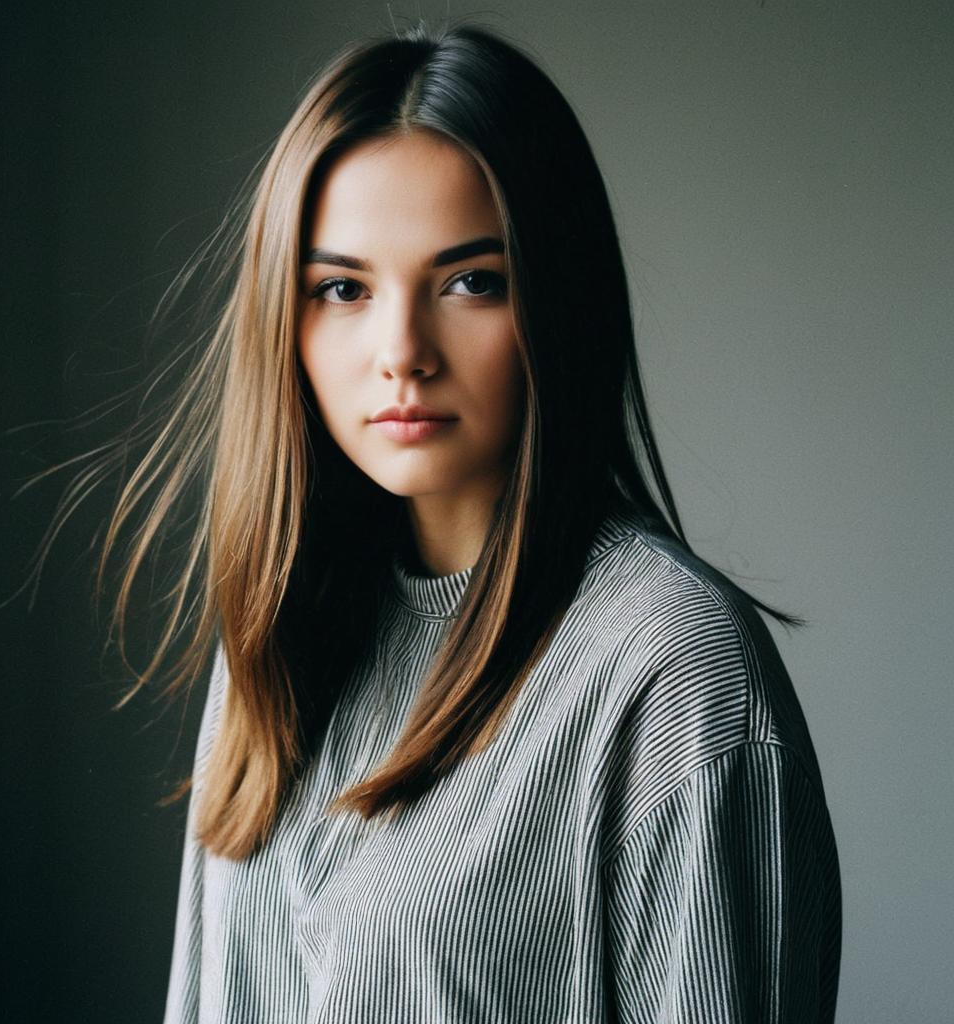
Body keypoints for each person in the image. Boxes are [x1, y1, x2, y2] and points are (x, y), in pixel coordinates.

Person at [71, 20, 841, 1023]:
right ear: (284, 316)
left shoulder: (672, 669)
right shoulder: (277, 627)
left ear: (556, 299)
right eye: (342, 288)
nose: (401, 350)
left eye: (471, 281)